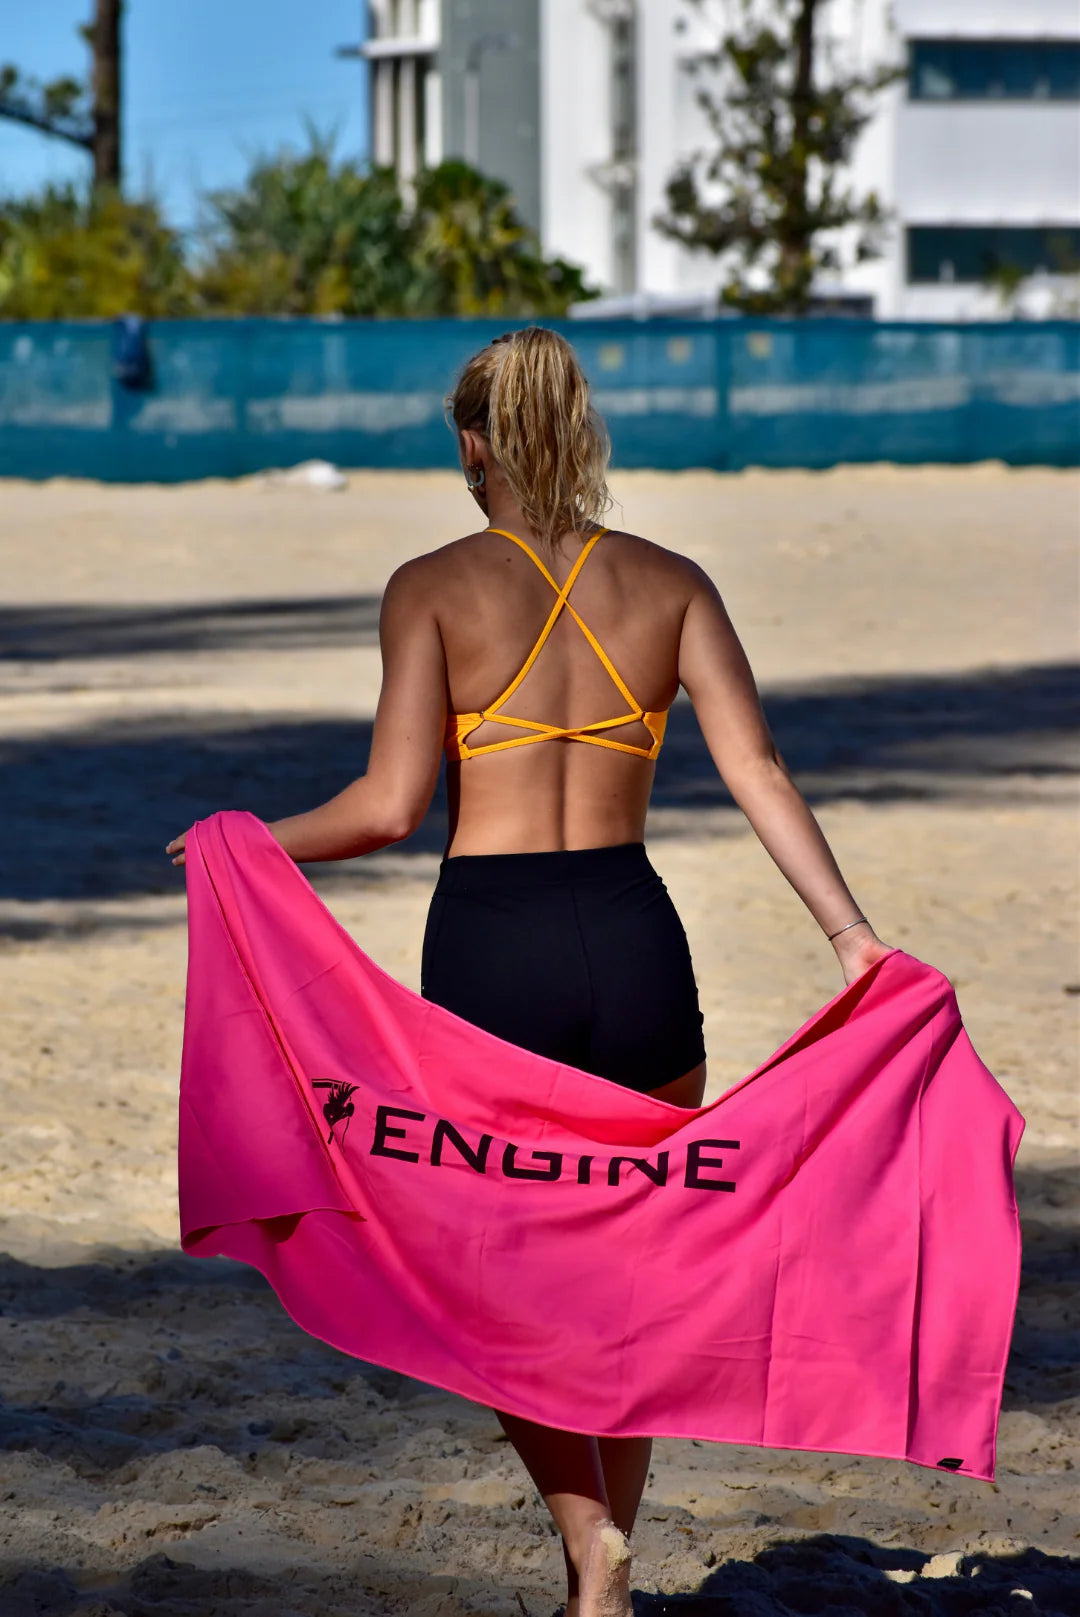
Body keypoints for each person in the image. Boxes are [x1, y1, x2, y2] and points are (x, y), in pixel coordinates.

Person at [167, 326, 891, 1617]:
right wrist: (851, 934)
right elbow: (759, 771)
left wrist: (242, 841)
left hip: (495, 948)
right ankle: (604, 1556)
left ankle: (590, 1543)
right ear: (582, 431)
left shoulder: (432, 583)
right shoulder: (672, 582)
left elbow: (389, 805)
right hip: (634, 936)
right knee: (638, 1257)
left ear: (473, 441)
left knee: (493, 1279)